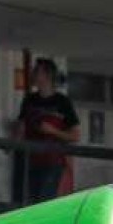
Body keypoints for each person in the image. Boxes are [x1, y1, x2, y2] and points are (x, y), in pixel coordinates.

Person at [15, 58, 79, 203]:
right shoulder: (29, 100)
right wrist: (13, 144)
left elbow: (75, 135)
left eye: (37, 71)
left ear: (47, 75)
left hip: (52, 161)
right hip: (29, 160)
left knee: (45, 200)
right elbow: (21, 126)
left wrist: (53, 131)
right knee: (28, 201)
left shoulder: (62, 102)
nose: (33, 75)